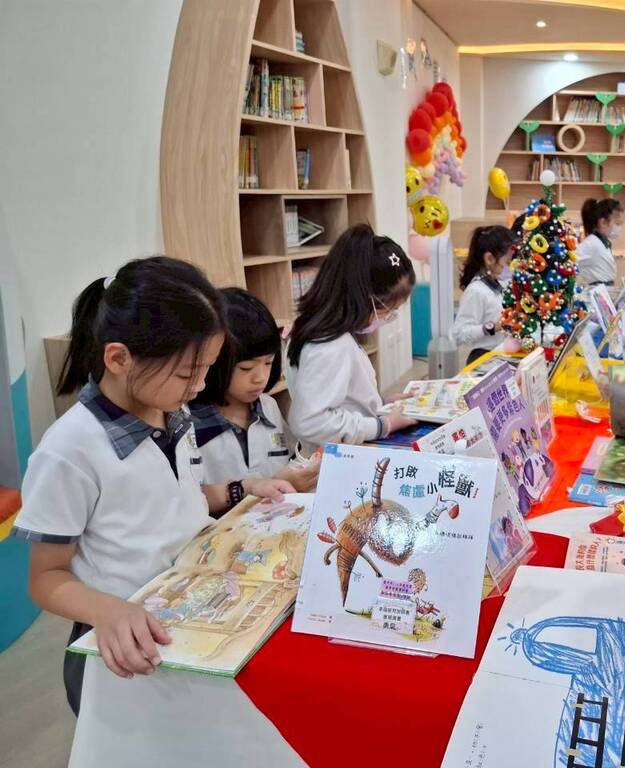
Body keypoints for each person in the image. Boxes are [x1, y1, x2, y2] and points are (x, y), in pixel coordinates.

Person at [13, 257, 293, 714]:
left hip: (190, 616)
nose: (200, 386)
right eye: (187, 373)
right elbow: (46, 579)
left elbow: (172, 499)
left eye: (207, 369)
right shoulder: (69, 450)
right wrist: (107, 611)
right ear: (119, 359)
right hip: (123, 644)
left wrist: (241, 489)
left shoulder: (172, 412)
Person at [286, 224, 418, 451]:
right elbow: (309, 423)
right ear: (363, 297)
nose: (390, 317)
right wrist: (383, 425)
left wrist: (380, 404)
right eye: (388, 309)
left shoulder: (321, 330)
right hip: (339, 458)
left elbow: (339, 398)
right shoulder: (330, 345)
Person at [190, 288, 320, 490]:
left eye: (268, 363)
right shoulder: (191, 424)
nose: (260, 378)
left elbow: (291, 460)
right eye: (246, 368)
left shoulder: (268, 407)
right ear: (213, 363)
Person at [452, 225, 515, 365]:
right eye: (507, 262)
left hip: (499, 356)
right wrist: (494, 327)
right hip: (484, 359)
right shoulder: (476, 291)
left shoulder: (498, 285)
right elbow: (459, 334)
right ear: (489, 259)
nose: (510, 268)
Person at [576, 197, 624, 291]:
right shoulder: (592, 243)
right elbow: (572, 260)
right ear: (603, 222)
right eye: (617, 223)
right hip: (598, 291)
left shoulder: (601, 242)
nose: (619, 228)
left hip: (606, 289)